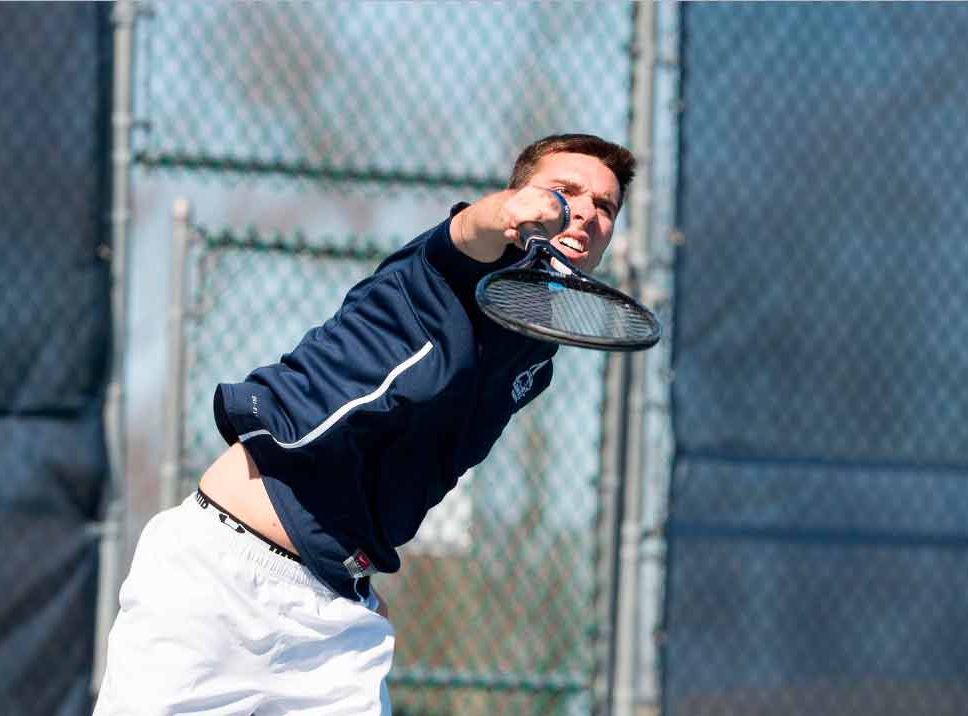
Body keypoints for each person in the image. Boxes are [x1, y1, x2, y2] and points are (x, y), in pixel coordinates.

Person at [93, 133, 636, 716]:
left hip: (334, 612)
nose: (585, 210)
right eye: (565, 190)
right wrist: (506, 213)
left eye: (604, 205)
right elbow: (470, 231)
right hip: (216, 581)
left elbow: (421, 468)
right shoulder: (449, 267)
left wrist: (353, 572)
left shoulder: (532, 357)